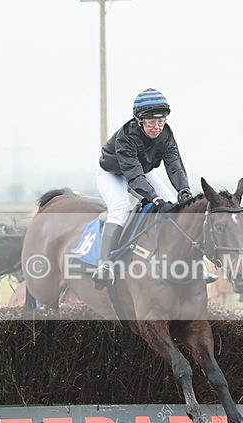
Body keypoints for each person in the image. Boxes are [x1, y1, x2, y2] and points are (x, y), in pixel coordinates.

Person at [92, 87, 195, 287]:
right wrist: (155, 199)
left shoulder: (166, 134)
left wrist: (184, 191)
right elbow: (133, 176)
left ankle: (184, 262)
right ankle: (104, 265)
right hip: (112, 173)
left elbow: (174, 165)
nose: (157, 127)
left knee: (174, 205)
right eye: (151, 123)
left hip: (142, 170)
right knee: (120, 209)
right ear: (139, 121)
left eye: (161, 121)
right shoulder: (126, 136)